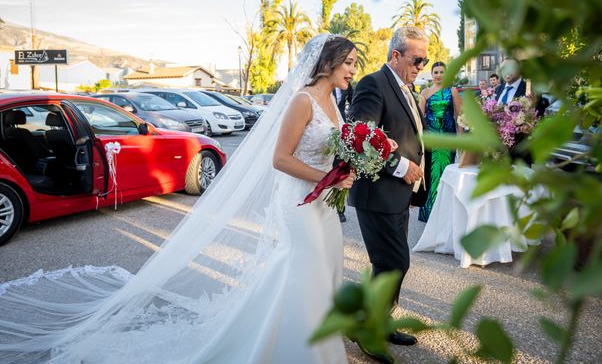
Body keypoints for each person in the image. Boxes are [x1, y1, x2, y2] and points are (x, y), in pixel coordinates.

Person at [0, 35, 357, 364]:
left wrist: (343, 167)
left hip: (324, 203)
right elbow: (280, 158)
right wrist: (330, 178)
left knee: (322, 270)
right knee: (304, 267)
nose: (354, 70)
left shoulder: (334, 100)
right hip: (298, 203)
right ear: (330, 63)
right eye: (350, 63)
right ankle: (305, 349)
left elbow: (328, 149)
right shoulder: (302, 100)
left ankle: (293, 336)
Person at [348, 26, 429, 364]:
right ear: (395, 56)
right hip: (378, 193)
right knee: (393, 262)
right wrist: (401, 168)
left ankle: (380, 321)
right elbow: (360, 138)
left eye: (425, 61)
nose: (421, 66)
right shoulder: (372, 84)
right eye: (416, 60)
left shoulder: (408, 88)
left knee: (389, 264)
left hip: (399, 194)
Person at [418, 61, 461, 223]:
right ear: (431, 74)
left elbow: (459, 117)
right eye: (435, 72)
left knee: (446, 172)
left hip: (449, 138)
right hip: (432, 139)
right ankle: (431, 211)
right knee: (432, 173)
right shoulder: (425, 93)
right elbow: (419, 119)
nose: (438, 75)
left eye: (442, 72)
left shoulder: (453, 91)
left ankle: (445, 212)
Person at [333, 83, 354, 223]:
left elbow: (354, 103)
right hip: (323, 131)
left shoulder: (346, 85)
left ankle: (340, 210)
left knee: (339, 170)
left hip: (341, 132)